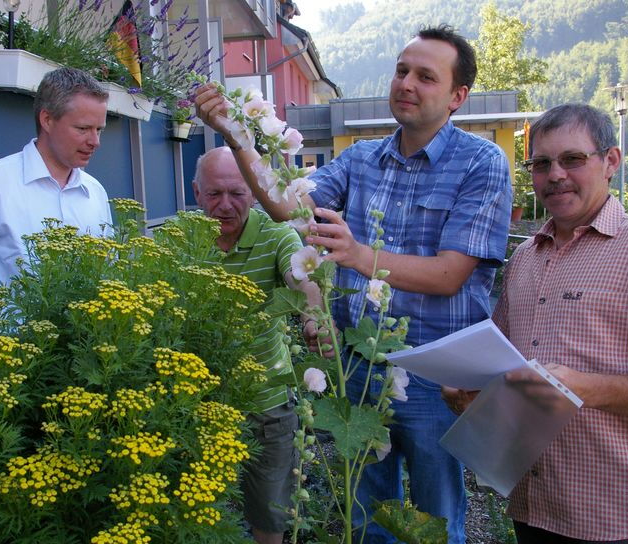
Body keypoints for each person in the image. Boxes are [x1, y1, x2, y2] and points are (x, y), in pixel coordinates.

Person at [195, 24, 512, 544]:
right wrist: (236, 134)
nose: (406, 83)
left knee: (437, 522)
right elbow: (286, 206)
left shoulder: (482, 163)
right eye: (402, 70)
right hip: (360, 367)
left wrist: (359, 255)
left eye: (425, 76)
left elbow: (453, 274)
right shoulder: (362, 158)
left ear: (458, 96)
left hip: (438, 374)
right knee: (366, 518)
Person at [445, 103, 628, 543]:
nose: (555, 175)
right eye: (541, 164)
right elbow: (510, 369)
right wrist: (469, 390)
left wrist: (585, 388)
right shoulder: (527, 257)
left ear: (610, 162)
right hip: (537, 500)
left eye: (572, 159)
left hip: (621, 511)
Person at [193, 146, 324, 544]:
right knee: (196, 511)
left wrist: (313, 318)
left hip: (265, 402)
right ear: (197, 193)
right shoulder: (182, 239)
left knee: (270, 514)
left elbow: (301, 275)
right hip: (198, 405)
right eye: (214, 194)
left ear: (253, 192)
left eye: (237, 193)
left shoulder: (275, 234)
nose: (225, 205)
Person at [0, 67, 112, 320]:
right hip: (6, 354)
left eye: (99, 130)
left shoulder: (95, 192)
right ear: (47, 120)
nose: (95, 141)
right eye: (83, 129)